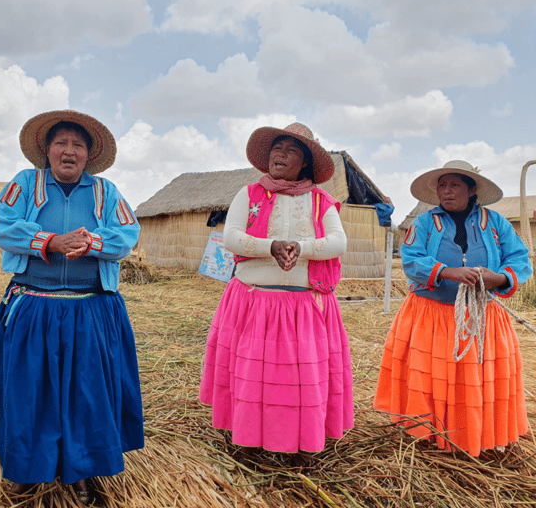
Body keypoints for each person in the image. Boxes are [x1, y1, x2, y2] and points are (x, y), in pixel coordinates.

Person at [0, 110, 144, 505]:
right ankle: (26, 468)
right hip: (35, 306)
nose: (69, 151)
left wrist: (92, 243)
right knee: (29, 391)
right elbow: (5, 226)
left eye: (78, 145)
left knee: (87, 393)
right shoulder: (24, 185)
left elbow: (126, 234)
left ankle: (80, 471)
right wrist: (50, 241)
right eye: (60, 143)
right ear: (46, 151)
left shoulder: (106, 192)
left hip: (91, 310)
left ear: (88, 156)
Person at [199, 123, 354, 465]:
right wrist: (272, 247)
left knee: (297, 379)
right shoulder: (249, 194)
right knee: (254, 377)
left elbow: (338, 242)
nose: (280, 154)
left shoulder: (320, 201)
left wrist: (301, 247)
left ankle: (299, 443)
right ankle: (250, 440)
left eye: (291, 150)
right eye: (277, 147)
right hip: (254, 300)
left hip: (303, 305)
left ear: (305, 164)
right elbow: (232, 237)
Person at [374, 160, 532, 456]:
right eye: (442, 185)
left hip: (482, 316)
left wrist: (497, 277)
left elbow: (519, 258)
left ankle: (477, 434)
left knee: (475, 379)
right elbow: (410, 258)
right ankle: (430, 435)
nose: (446, 191)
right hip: (431, 315)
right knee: (432, 378)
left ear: (472, 189)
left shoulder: (495, 222)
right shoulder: (424, 223)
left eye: (455, 185)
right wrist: (447, 272)